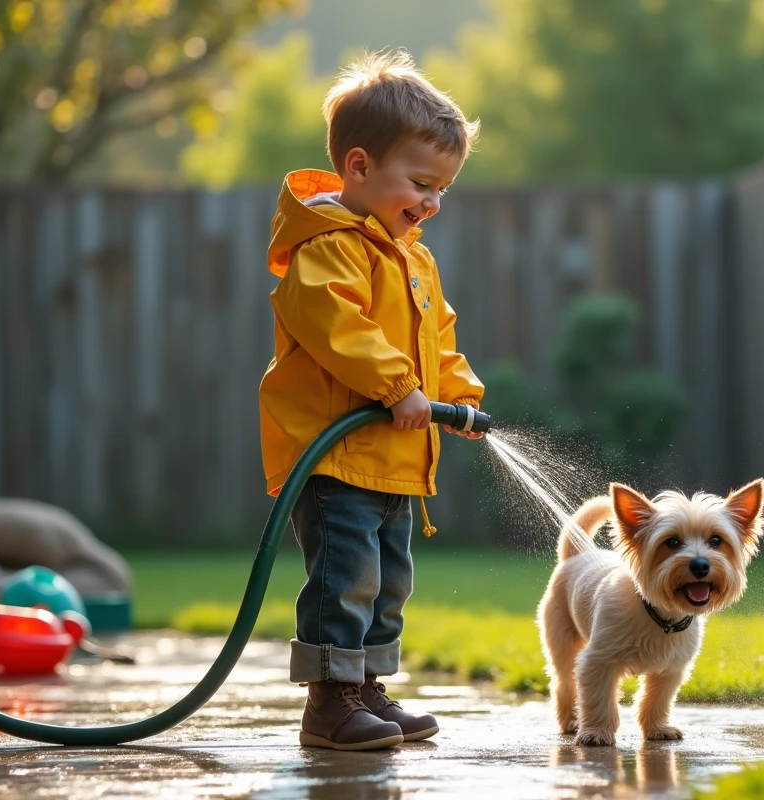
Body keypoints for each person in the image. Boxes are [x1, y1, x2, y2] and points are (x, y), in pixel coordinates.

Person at [258, 50, 485, 751]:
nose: (431, 202)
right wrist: (397, 388)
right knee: (344, 583)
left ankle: (368, 691)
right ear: (359, 167)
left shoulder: (413, 257)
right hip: (335, 457)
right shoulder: (323, 248)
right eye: (420, 182)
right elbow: (338, 330)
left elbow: (437, 338)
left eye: (442, 188)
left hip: (392, 458)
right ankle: (329, 704)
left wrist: (457, 395)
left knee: (387, 584)